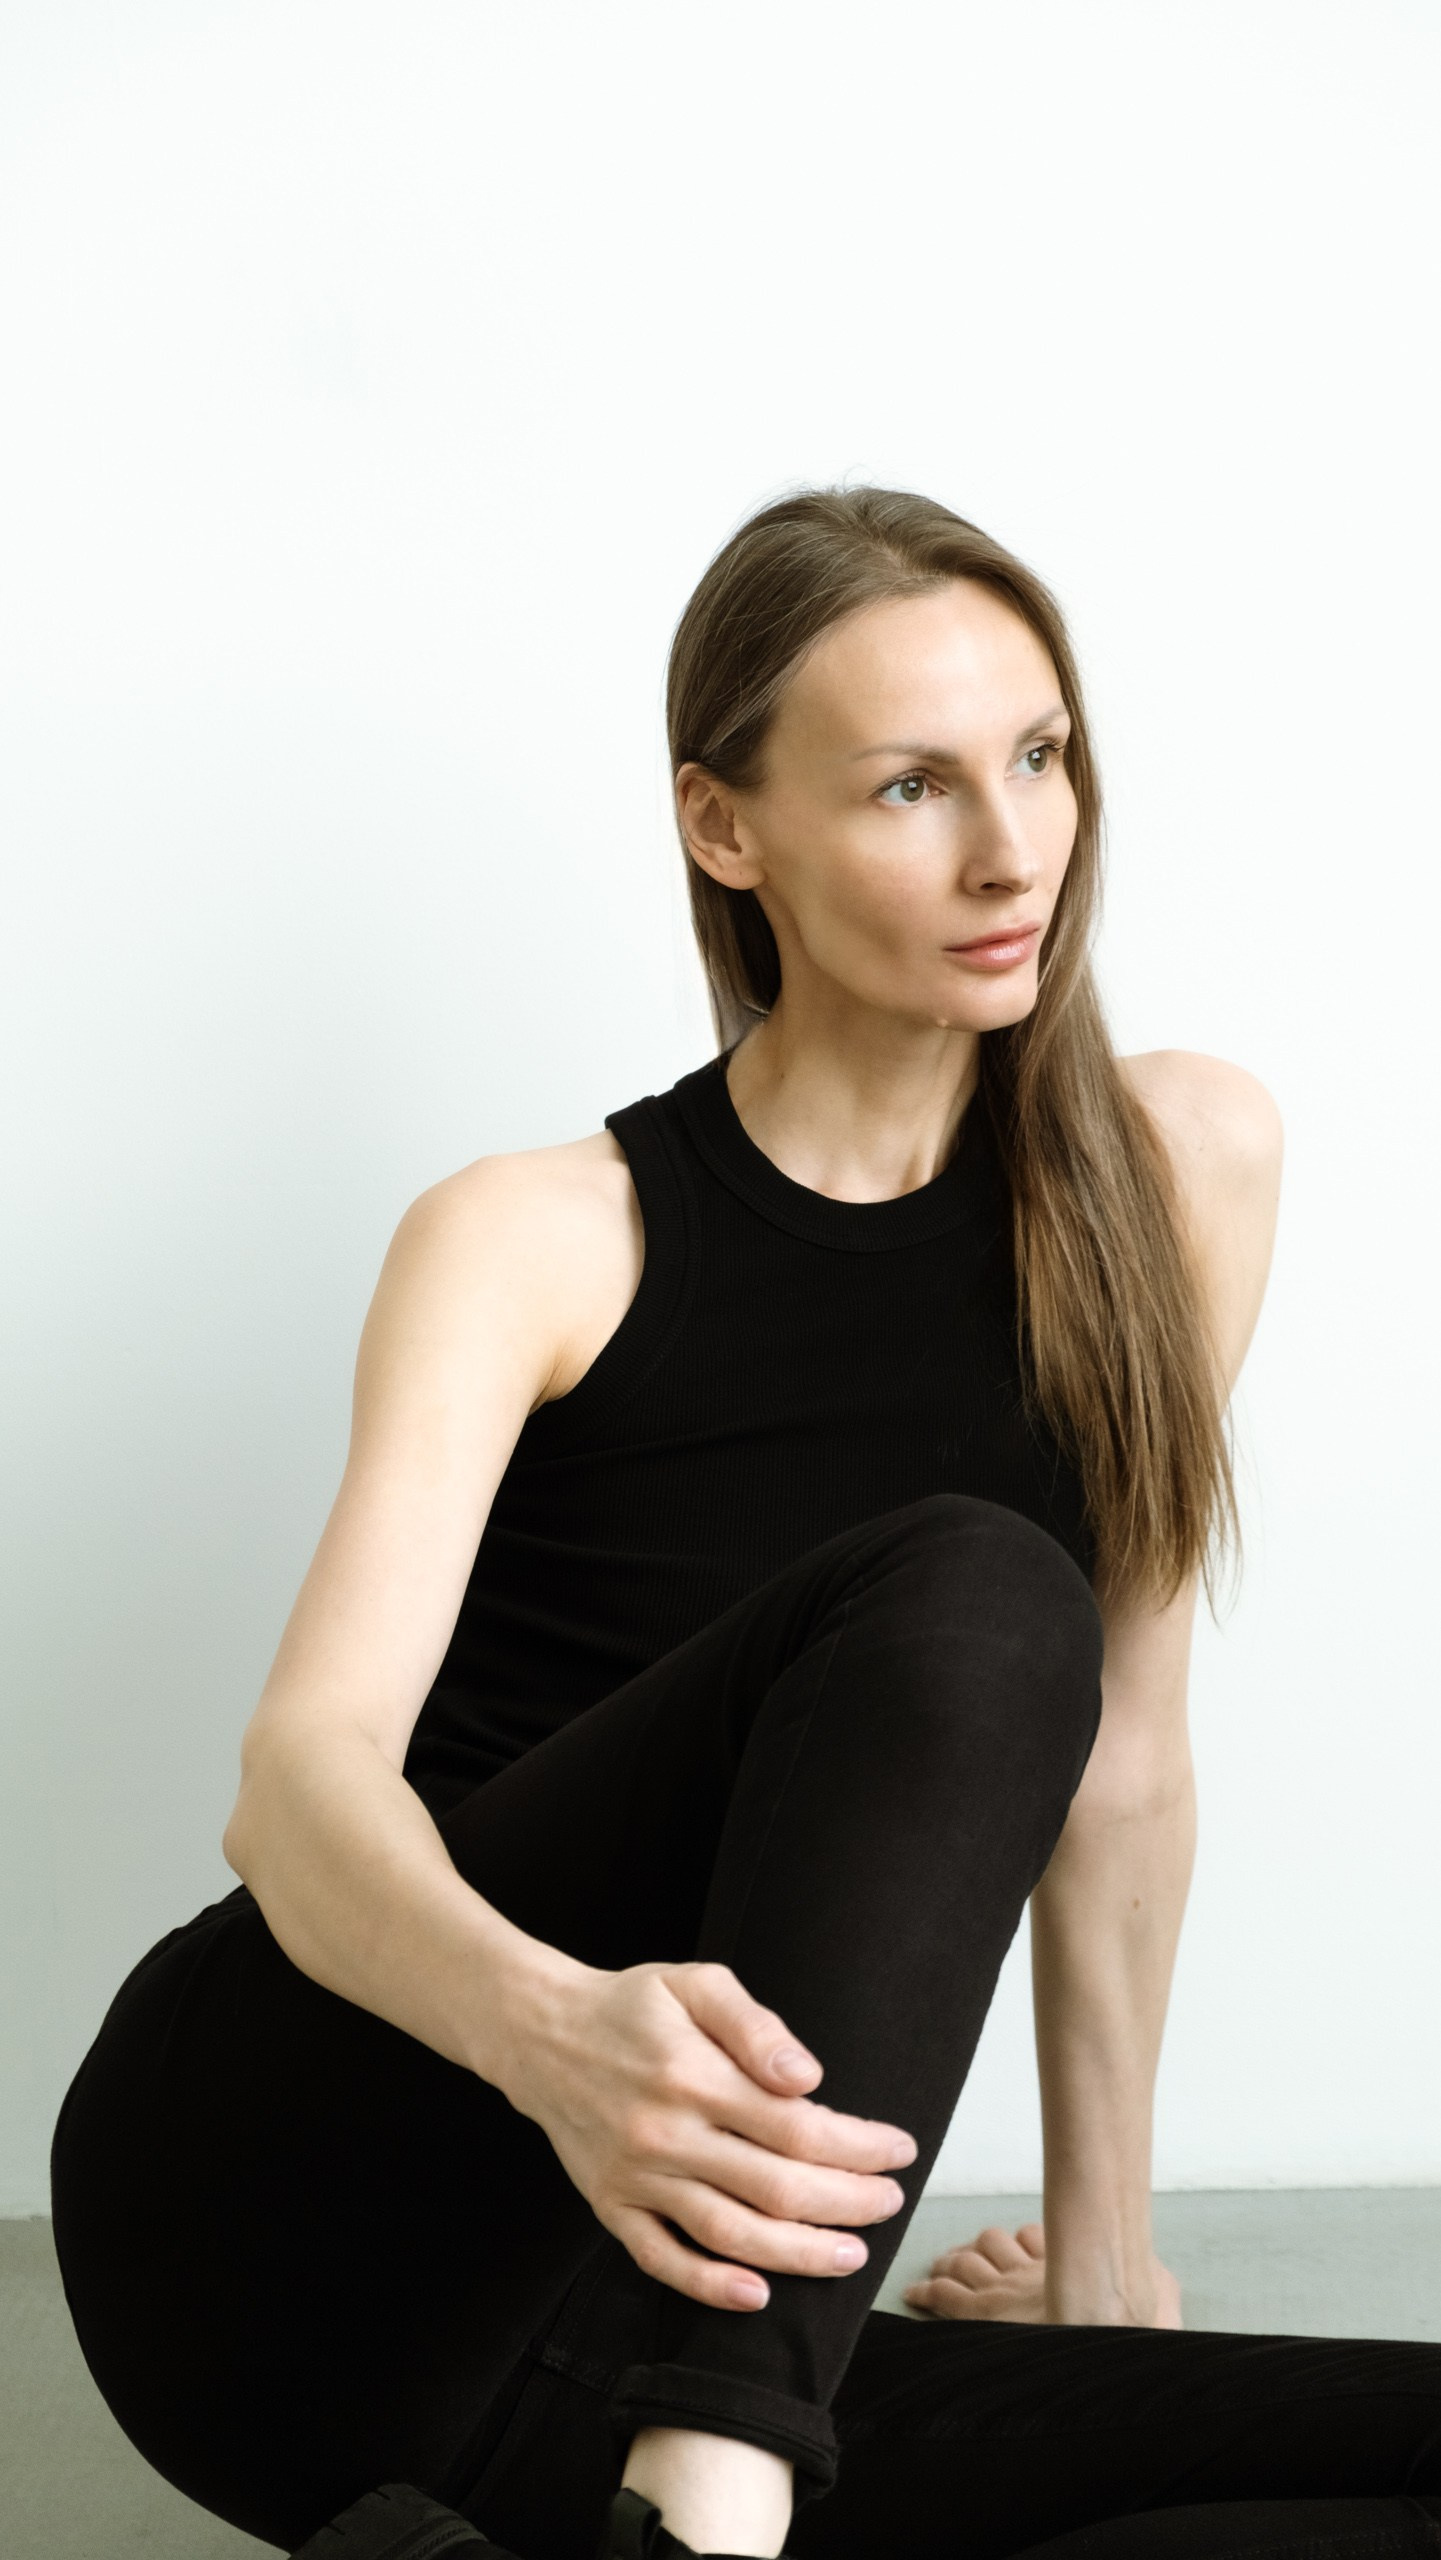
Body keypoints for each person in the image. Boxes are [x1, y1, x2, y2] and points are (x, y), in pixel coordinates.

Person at [49, 489, 1441, 2560]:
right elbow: (298, 1785)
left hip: (701, 2306)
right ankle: (703, 2516)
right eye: (909, 785)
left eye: (1038, 756)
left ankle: (682, 2507)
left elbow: (1125, 1766)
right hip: (311, 2221)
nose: (1013, 850)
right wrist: (559, 2036)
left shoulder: (1175, 1171)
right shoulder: (540, 1235)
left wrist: (1102, 2266)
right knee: (979, 1583)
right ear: (726, 828)